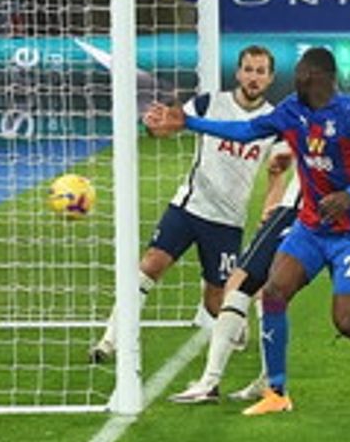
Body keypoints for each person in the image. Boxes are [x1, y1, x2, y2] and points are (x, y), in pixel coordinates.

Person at [144, 47, 350, 415]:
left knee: (347, 321)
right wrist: (190, 123)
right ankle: (276, 391)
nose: (298, 80)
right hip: (311, 226)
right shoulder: (291, 109)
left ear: (325, 80)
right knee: (273, 292)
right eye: (298, 74)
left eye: (306, 75)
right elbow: (246, 131)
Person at [90, 45, 280, 363]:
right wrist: (154, 125)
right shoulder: (210, 103)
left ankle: (237, 324)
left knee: (214, 302)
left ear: (270, 78)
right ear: (238, 72)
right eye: (248, 69)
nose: (253, 77)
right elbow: (170, 125)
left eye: (260, 72)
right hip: (190, 206)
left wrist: (271, 206)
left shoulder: (273, 121)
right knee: (150, 264)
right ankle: (109, 341)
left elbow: (278, 170)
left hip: (227, 221)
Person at [168, 152, 301, 404]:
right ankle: (268, 379)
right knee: (266, 291)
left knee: (240, 284)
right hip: (306, 210)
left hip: (298, 211)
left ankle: (210, 382)